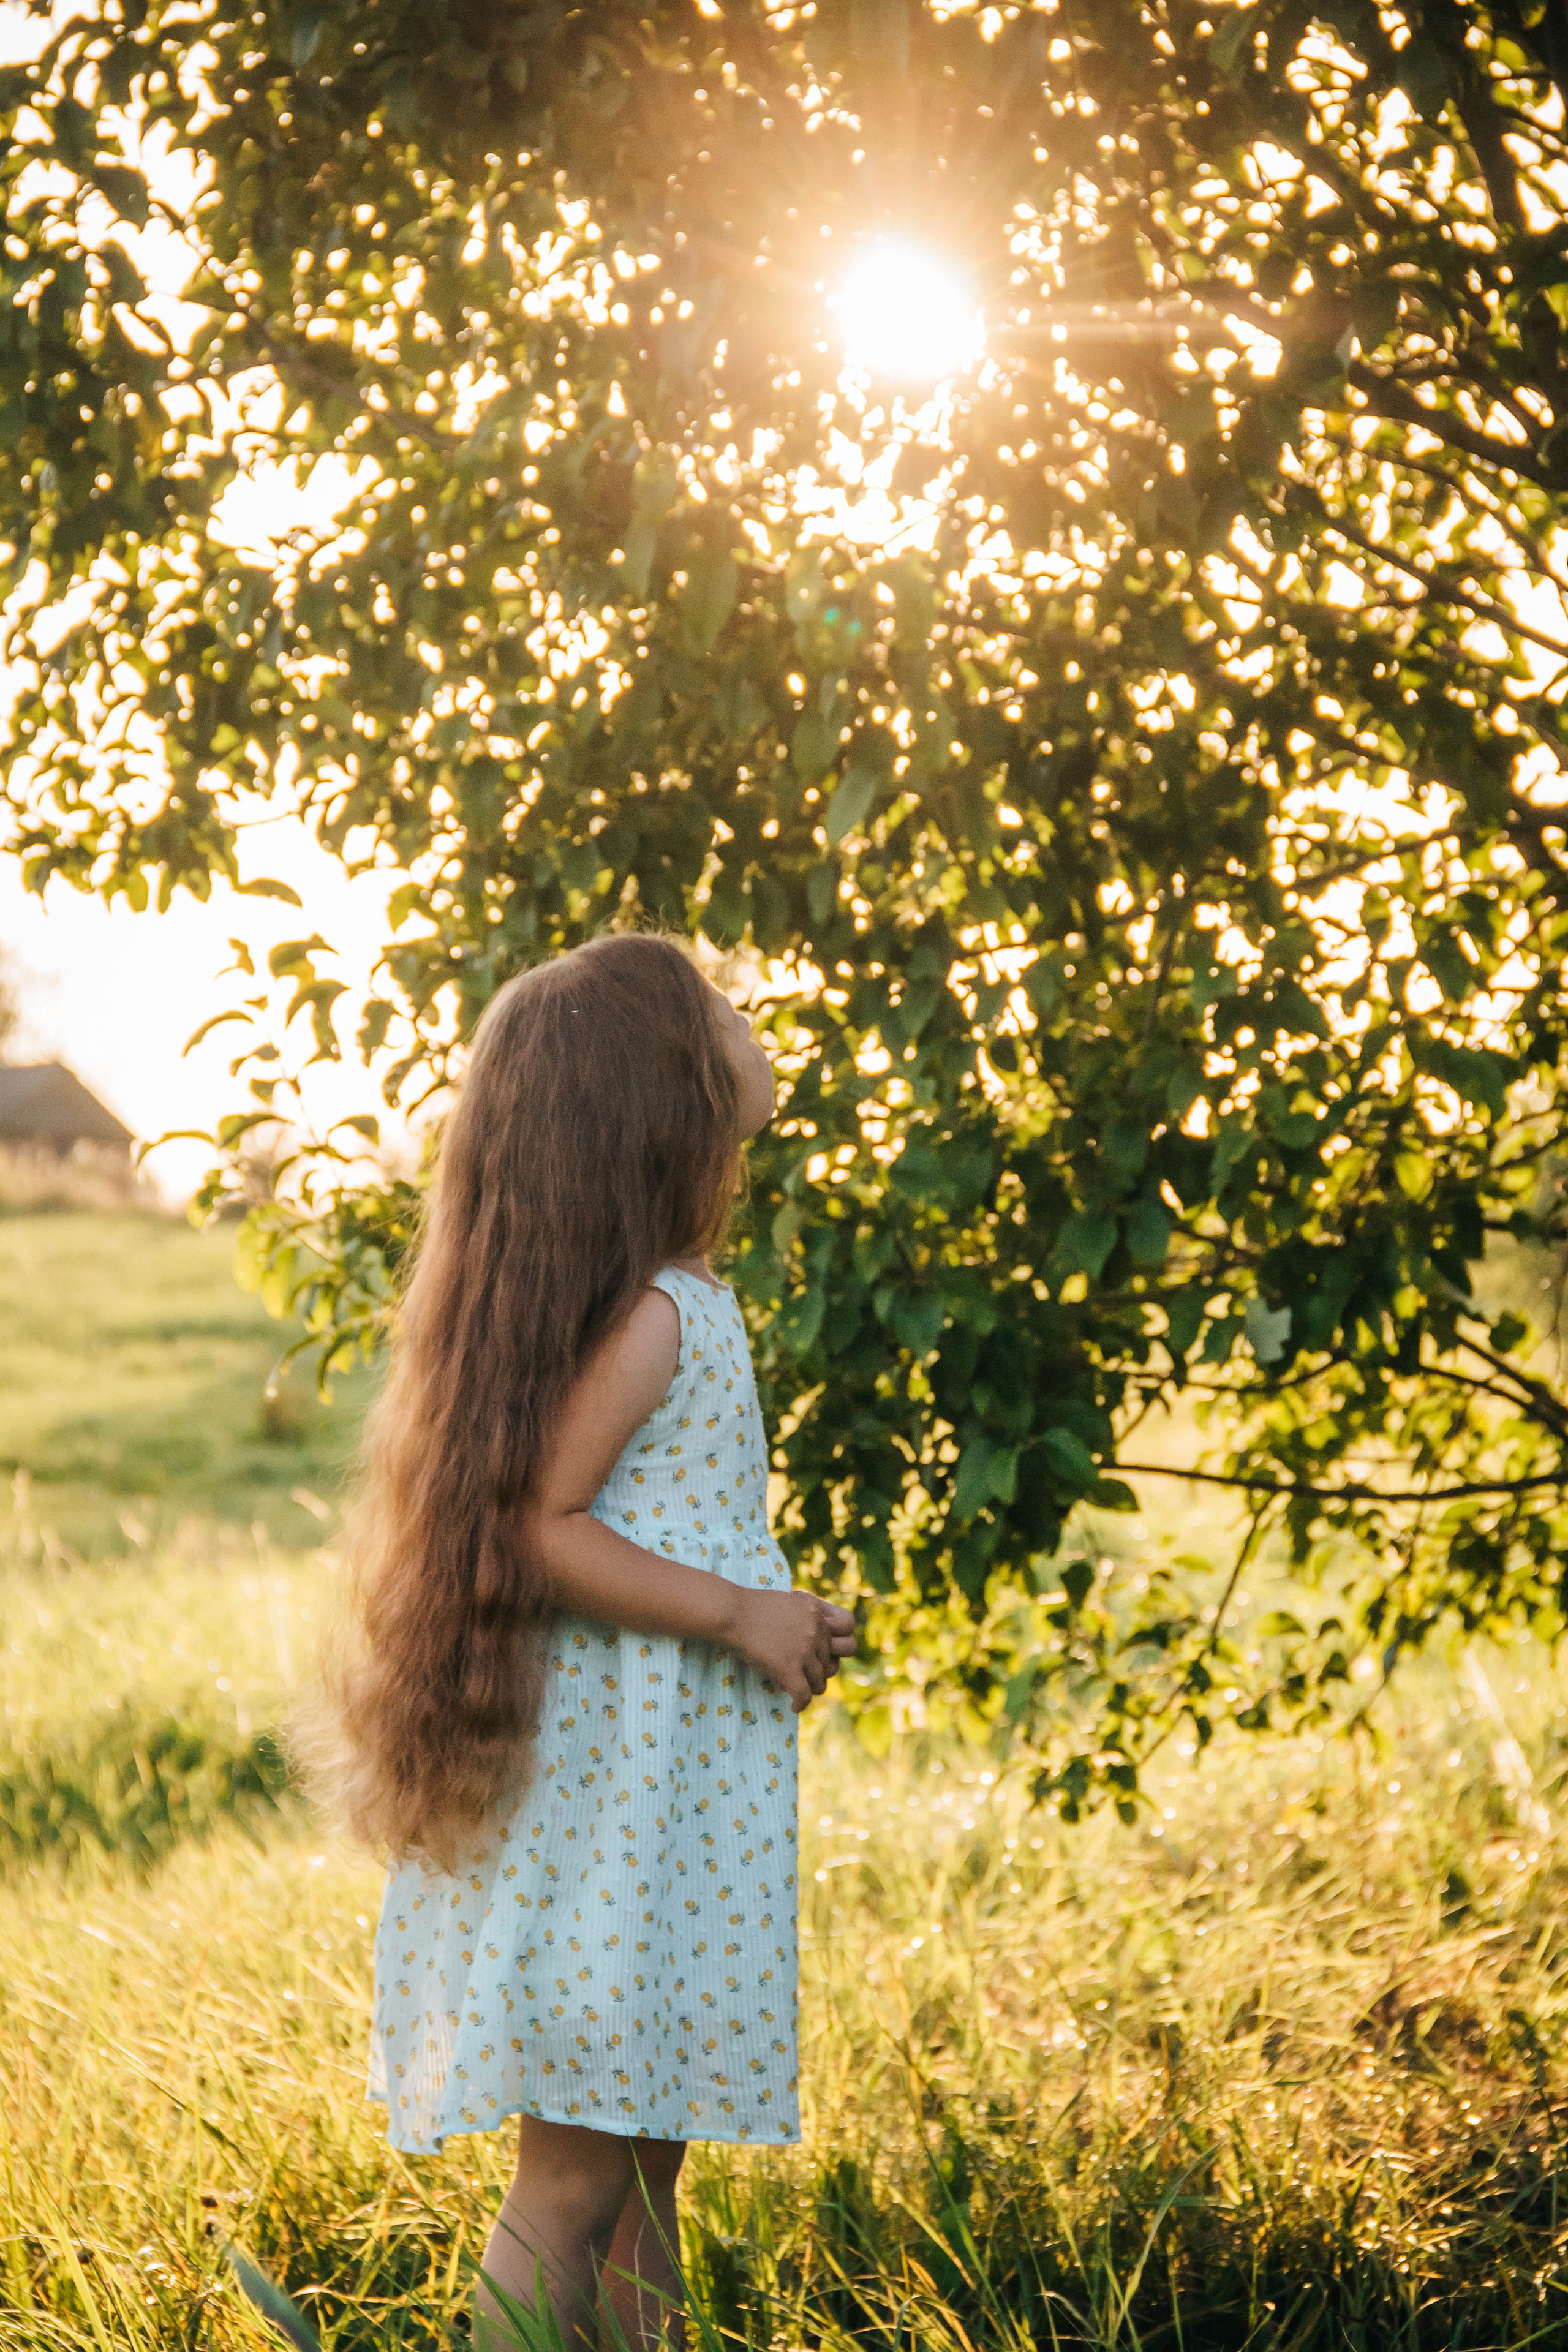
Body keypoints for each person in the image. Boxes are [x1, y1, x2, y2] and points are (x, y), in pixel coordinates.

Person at [314, 933, 856, 2352]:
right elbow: (537, 1523)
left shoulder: (678, 1302)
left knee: (646, 2167)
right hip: (616, 1815)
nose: (753, 1027)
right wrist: (742, 1611)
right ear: (661, 1093)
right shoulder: (660, 1316)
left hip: (662, 1810)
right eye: (723, 1012)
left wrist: (772, 1611)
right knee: (571, 2180)